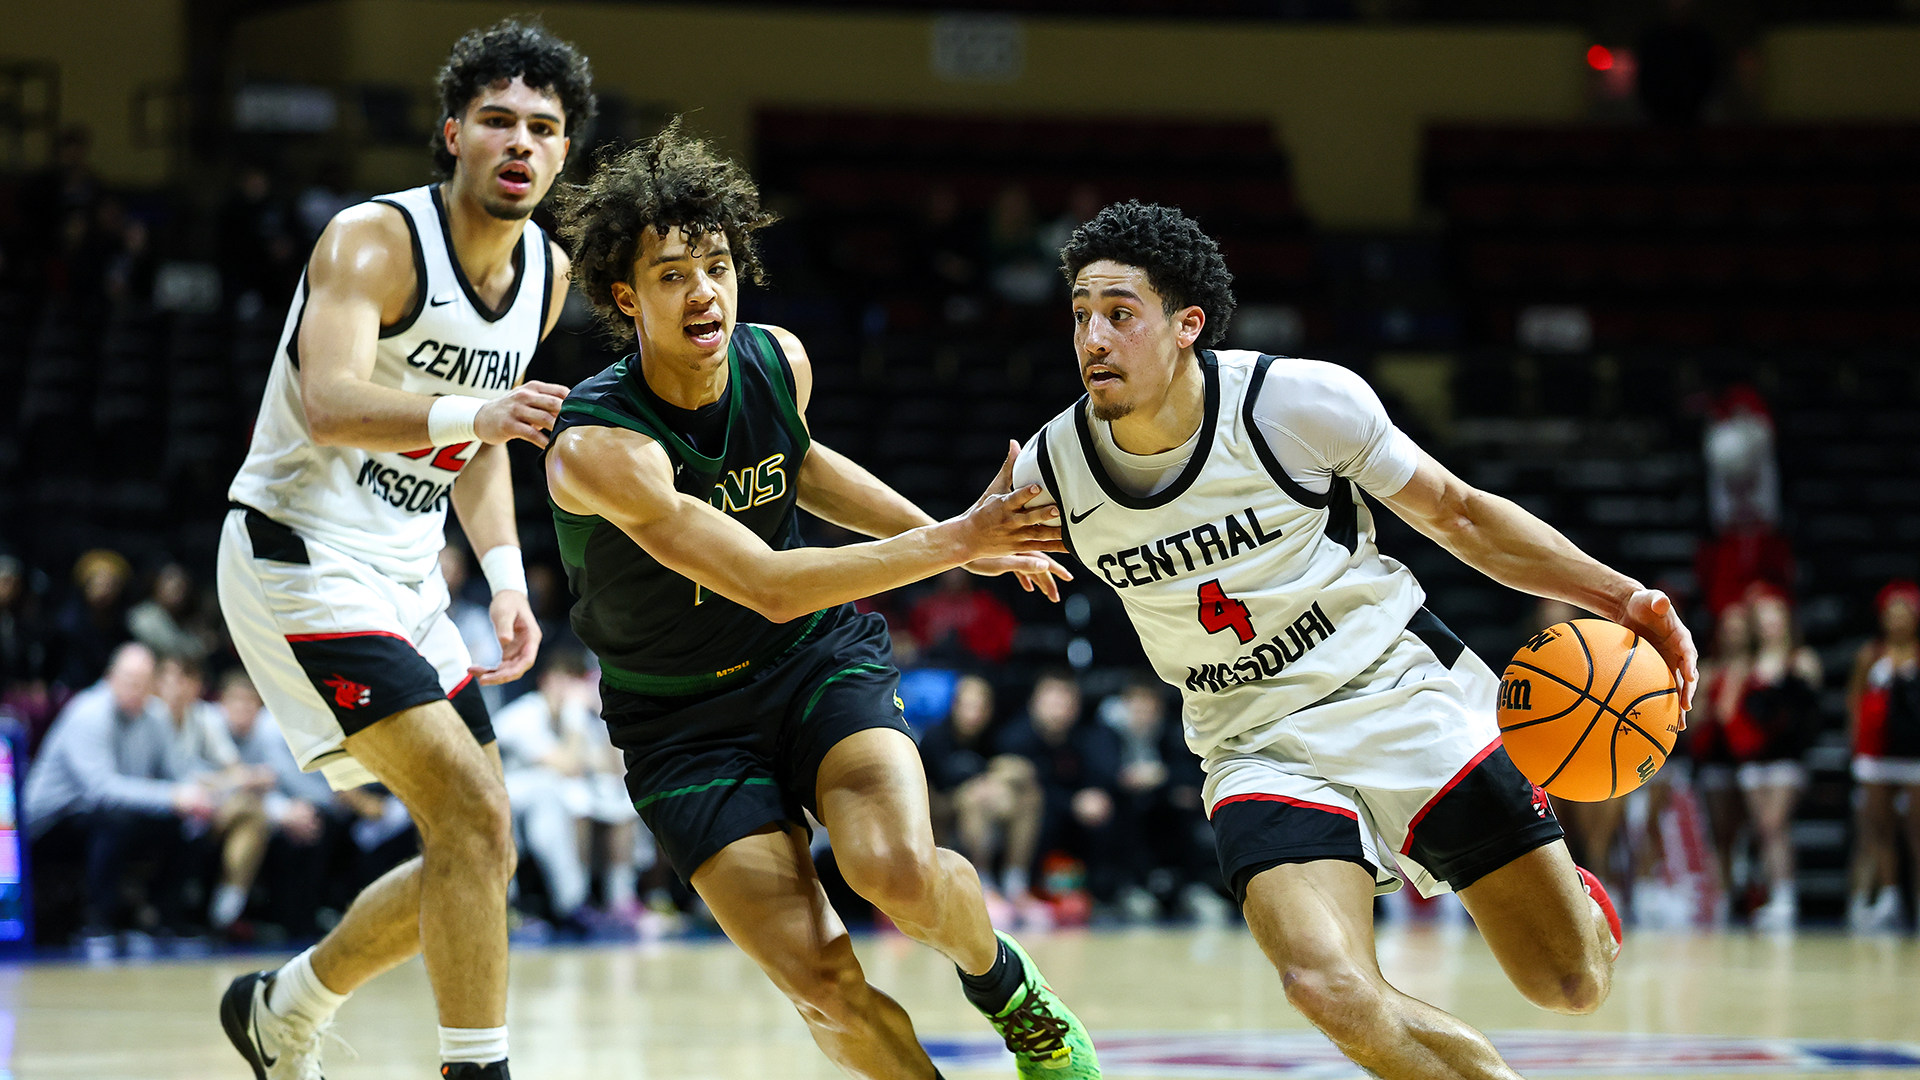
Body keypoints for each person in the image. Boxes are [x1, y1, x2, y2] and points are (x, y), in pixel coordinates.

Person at [1012, 201, 1697, 1079]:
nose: (1093, 338)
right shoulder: (1051, 470)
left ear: (1188, 325)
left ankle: (1578, 901)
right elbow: (956, 540)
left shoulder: (1293, 403)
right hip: (1252, 740)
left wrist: (1623, 597)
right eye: (1080, 315)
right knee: (1323, 985)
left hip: (1395, 688)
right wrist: (966, 546)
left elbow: (1460, 515)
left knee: (1571, 984)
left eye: (1119, 313)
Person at [544, 120, 1100, 1079]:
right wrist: (956, 542)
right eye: (672, 275)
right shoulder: (601, 448)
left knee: (896, 870)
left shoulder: (777, 361)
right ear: (627, 296)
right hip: (679, 724)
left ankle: (1016, 996)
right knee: (820, 982)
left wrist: (951, 537)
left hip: (810, 664)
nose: (703, 290)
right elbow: (763, 583)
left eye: (717, 265)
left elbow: (797, 462)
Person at [213, 20, 593, 1080]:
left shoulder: (548, 275)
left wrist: (507, 578)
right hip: (299, 553)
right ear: (454, 134)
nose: (520, 142)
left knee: (481, 845)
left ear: (563, 152)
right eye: (498, 121)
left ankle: (284, 1009)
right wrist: (479, 417)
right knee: (473, 814)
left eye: (543, 128)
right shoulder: (373, 240)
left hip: (409, 576)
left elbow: (483, 443)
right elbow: (333, 403)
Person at [22, 643, 215, 943]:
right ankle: (98, 923)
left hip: (110, 814)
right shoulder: (88, 712)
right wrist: (174, 797)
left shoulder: (156, 715)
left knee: (188, 824)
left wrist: (199, 795)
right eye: (129, 681)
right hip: (50, 822)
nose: (135, 689)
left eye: (143, 683)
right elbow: (101, 790)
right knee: (113, 821)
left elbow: (178, 773)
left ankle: (166, 920)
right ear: (110, 676)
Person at [492, 647, 638, 929]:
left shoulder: (580, 716)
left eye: (575, 680)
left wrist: (604, 717)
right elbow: (569, 765)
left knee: (610, 798)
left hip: (535, 798)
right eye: (563, 679)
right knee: (557, 797)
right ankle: (567, 904)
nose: (569, 690)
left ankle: (615, 900)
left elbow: (614, 768)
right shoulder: (522, 714)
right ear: (545, 680)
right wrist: (574, 715)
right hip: (493, 795)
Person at [154, 655, 278, 935]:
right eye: (172, 679)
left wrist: (219, 782)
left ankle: (228, 905)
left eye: (187, 678)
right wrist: (225, 781)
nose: (179, 687)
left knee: (252, 814)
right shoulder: (150, 715)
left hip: (198, 803)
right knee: (251, 811)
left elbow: (233, 767)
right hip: (164, 802)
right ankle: (228, 905)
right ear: (157, 682)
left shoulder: (202, 716)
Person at [920, 673, 1046, 927]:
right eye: (968, 706)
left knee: (1029, 797)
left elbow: (1020, 768)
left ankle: (1015, 883)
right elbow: (930, 793)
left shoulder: (995, 735)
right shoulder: (936, 738)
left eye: (980, 707)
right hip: (939, 813)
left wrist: (996, 780)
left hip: (987, 803)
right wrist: (979, 787)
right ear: (955, 706)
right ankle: (983, 885)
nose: (973, 714)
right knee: (973, 798)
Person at [997, 671, 1125, 908]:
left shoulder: (1088, 735)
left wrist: (1095, 795)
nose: (1059, 710)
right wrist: (1071, 802)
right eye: (1052, 702)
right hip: (1037, 815)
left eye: (1065, 703)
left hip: (1076, 815)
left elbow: (1103, 774)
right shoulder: (1015, 738)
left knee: (1110, 811)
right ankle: (1024, 887)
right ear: (1034, 703)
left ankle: (1104, 892)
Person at [1847, 579, 1920, 933]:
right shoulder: (1870, 655)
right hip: (1876, 754)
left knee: (1916, 832)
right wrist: (1856, 746)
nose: (1898, 619)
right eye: (1892, 613)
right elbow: (1855, 702)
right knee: (1881, 828)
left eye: (1905, 612)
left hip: (1914, 754)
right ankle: (1889, 898)